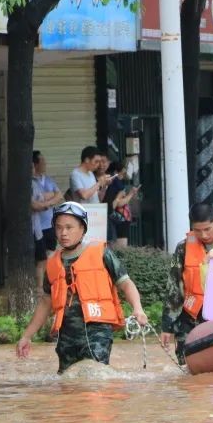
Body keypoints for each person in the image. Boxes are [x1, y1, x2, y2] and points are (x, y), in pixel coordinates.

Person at [16, 202, 147, 373]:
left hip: (97, 331)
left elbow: (126, 283)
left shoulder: (101, 253)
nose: (63, 233)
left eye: (69, 227)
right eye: (59, 227)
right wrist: (27, 336)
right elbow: (45, 302)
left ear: (82, 228)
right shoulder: (53, 263)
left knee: (93, 380)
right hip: (67, 336)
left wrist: (138, 309)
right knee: (68, 386)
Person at [160, 203, 213, 364]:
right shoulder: (183, 248)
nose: (203, 234)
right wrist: (167, 326)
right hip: (190, 317)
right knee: (187, 368)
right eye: (197, 230)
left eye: (207, 229)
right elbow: (174, 286)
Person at [31, 150, 64, 286]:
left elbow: (59, 195)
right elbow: (35, 202)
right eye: (42, 161)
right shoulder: (32, 182)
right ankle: (38, 286)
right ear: (35, 164)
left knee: (50, 254)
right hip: (37, 226)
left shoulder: (48, 179)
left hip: (49, 224)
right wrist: (49, 198)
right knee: (39, 257)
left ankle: (47, 281)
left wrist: (47, 202)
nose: (45, 164)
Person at [104, 161, 138, 250]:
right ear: (116, 172)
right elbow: (119, 202)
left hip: (117, 216)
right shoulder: (116, 184)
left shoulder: (113, 183)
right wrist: (131, 194)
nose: (123, 176)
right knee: (121, 247)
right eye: (122, 173)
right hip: (118, 217)